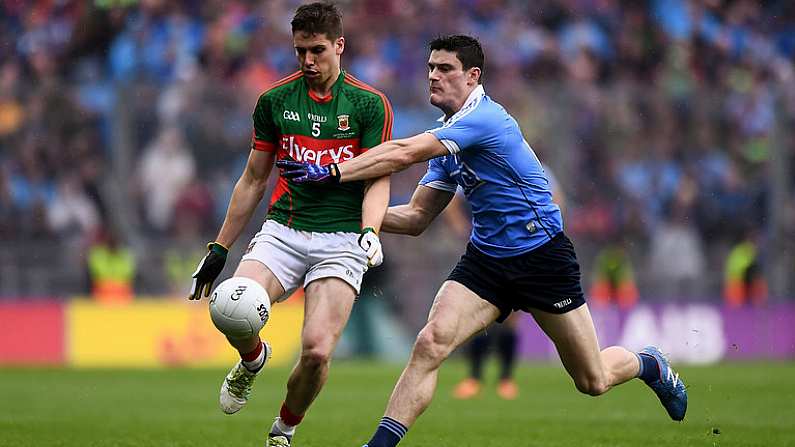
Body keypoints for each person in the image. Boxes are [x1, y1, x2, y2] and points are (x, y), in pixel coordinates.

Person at [277, 35, 687, 447]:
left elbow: (402, 152)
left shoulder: (485, 120)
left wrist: (331, 173)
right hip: (486, 261)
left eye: (445, 69)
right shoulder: (448, 139)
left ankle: (648, 364)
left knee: (592, 379)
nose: (433, 76)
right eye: (431, 68)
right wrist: (346, 217)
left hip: (541, 257)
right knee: (429, 343)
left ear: (473, 77)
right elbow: (418, 217)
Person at [188, 3, 393, 447]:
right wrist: (219, 249)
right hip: (284, 230)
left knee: (317, 352)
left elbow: (379, 178)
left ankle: (284, 428)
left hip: (341, 239)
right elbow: (253, 179)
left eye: (317, 50)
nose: (308, 61)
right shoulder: (275, 100)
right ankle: (253, 359)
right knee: (227, 305)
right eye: (300, 51)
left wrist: (371, 231)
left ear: (339, 46)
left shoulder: (369, 104)